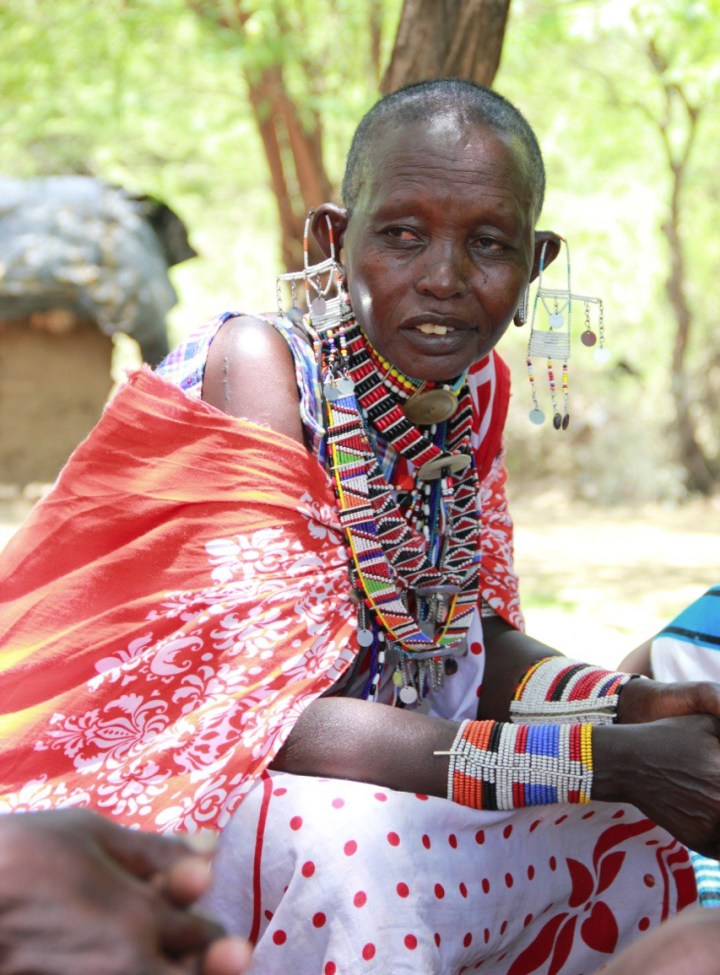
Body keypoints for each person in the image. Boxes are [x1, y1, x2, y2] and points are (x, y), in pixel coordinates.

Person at [2, 78, 720, 974]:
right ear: (334, 242)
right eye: (403, 235)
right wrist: (610, 755)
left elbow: (469, 646)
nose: (446, 277)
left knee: (629, 825)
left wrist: (624, 706)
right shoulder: (261, 368)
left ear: (535, 268)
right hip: (171, 792)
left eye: (488, 245)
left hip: (364, 766)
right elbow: (286, 722)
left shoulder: (472, 396)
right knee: (359, 852)